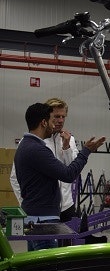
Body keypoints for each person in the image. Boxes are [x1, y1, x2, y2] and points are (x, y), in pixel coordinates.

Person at [13, 102, 105, 251]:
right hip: (43, 221)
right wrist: (86, 151)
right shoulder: (37, 149)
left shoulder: (27, 146)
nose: (56, 123)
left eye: (62, 117)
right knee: (47, 267)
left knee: (39, 262)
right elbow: (68, 174)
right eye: (52, 119)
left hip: (41, 215)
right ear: (43, 122)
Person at [10, 97, 79, 222]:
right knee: (45, 241)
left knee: (70, 242)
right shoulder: (32, 143)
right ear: (46, 119)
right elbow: (15, 177)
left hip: (67, 206)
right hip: (41, 212)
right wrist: (26, 203)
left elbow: (71, 172)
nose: (60, 120)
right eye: (56, 117)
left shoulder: (69, 140)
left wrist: (67, 148)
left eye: (63, 117)